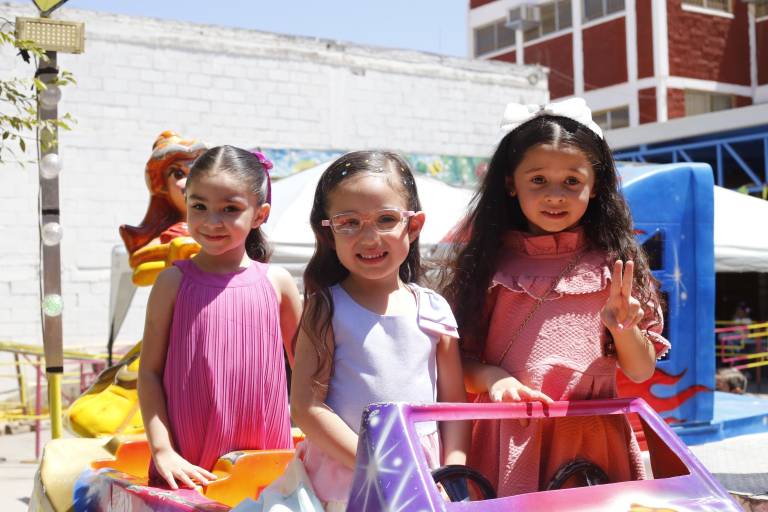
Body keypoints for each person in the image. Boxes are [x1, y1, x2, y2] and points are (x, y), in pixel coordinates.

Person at [441, 98, 670, 497]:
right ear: (510, 183)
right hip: (511, 441)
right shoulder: (488, 265)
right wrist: (495, 380)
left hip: (596, 440)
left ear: (596, 186)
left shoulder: (617, 265)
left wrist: (625, 329)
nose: (555, 195)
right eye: (538, 180)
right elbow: (456, 365)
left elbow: (640, 371)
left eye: (571, 181)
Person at [290, 151, 470, 510]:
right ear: (329, 233)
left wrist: (454, 473)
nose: (369, 237)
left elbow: (454, 407)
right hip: (345, 477)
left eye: (386, 219)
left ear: (414, 226)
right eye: (349, 222)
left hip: (426, 476)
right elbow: (307, 407)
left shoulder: (434, 309)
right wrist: (382, 466)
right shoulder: (325, 307)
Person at [138, 145, 302, 490]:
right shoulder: (172, 283)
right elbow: (149, 374)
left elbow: (308, 373)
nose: (212, 222)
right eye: (199, 206)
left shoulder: (278, 283)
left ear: (259, 214)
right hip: (186, 470)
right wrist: (163, 451)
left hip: (266, 467)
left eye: (230, 209)